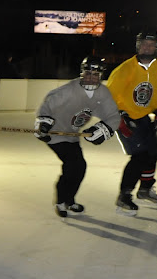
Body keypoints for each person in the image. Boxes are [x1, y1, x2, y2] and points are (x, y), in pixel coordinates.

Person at [34, 56, 120, 218]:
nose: (91, 77)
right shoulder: (69, 90)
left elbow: (113, 116)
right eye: (88, 73)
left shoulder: (102, 92)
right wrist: (43, 123)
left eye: (95, 74)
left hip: (72, 135)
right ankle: (62, 201)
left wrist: (104, 129)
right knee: (73, 164)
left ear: (101, 75)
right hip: (55, 133)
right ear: (82, 73)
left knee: (79, 167)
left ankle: (69, 200)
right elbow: (47, 104)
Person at [106, 31, 157, 217]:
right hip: (126, 118)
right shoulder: (125, 69)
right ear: (138, 46)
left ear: (156, 48)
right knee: (139, 157)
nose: (147, 48)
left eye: (151, 45)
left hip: (143, 117)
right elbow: (108, 96)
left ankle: (145, 189)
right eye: (144, 44)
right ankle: (124, 196)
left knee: (152, 153)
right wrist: (118, 116)